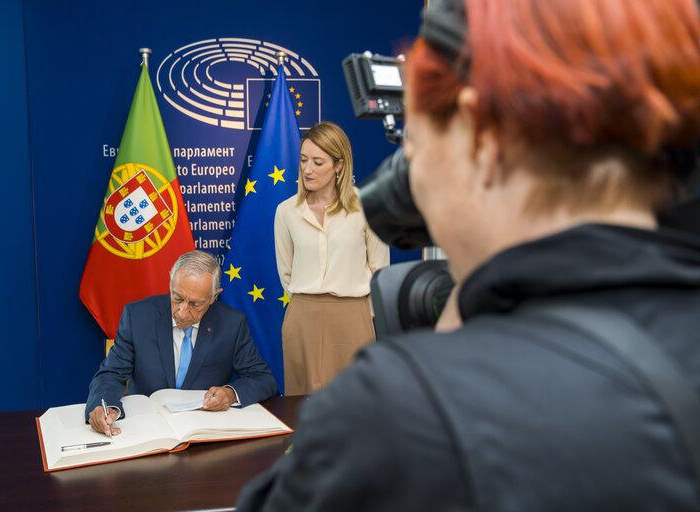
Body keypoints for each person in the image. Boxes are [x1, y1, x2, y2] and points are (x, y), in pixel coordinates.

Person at [236, 0, 700, 510]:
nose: (407, 167)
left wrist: (442, 359)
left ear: (477, 132)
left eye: (413, 138)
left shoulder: (397, 408)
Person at [86, 250, 277, 436]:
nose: (182, 312)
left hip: (204, 430)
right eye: (177, 298)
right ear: (170, 280)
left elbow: (263, 379)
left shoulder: (232, 324)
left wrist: (230, 394)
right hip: (147, 427)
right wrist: (105, 406)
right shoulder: (137, 316)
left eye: (196, 304)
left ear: (214, 297)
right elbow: (111, 373)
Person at [274, 121, 390, 395]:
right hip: (302, 317)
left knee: (355, 402)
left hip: (353, 318)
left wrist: (362, 315)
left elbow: (380, 270)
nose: (307, 169)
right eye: (303, 160)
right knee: (302, 406)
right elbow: (286, 273)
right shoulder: (286, 211)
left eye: (317, 162)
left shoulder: (369, 207)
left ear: (339, 165)